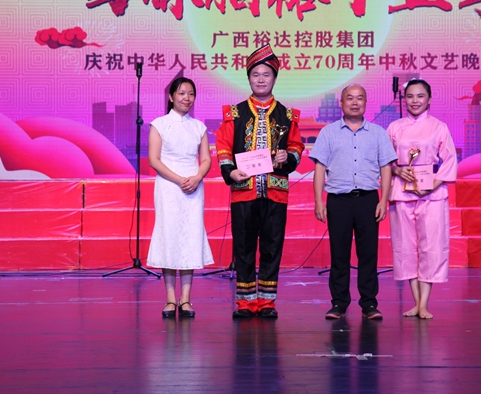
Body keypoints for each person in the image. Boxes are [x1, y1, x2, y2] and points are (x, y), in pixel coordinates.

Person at [215, 45, 305, 319]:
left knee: (272, 245)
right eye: (256, 75)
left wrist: (287, 156)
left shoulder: (287, 116)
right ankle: (245, 302)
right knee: (243, 247)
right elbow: (223, 147)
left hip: (275, 191)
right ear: (249, 78)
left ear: (275, 78)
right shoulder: (235, 113)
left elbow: (297, 147)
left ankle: (266, 301)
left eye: (266, 74)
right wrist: (231, 172)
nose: (261, 79)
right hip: (244, 190)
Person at [311, 84, 396, 320]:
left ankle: (369, 304)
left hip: (368, 200)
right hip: (338, 201)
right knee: (339, 254)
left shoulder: (378, 133)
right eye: (350, 98)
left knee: (368, 254)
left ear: (365, 103)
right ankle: (339, 303)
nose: (355, 102)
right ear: (342, 103)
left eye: (360, 98)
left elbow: (386, 167)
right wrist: (319, 201)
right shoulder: (328, 132)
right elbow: (320, 168)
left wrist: (383, 200)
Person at [387, 78, 457, 319]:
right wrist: (397, 171)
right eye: (410, 96)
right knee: (406, 248)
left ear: (429, 99)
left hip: (432, 194)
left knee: (431, 247)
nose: (414, 101)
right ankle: (416, 303)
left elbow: (450, 160)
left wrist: (431, 186)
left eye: (420, 96)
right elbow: (385, 160)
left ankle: (424, 304)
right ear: (404, 99)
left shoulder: (439, 127)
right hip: (402, 192)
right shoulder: (394, 127)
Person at [147, 77, 214, 319]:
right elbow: (154, 160)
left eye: (191, 94)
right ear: (171, 96)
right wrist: (179, 180)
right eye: (182, 93)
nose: (187, 98)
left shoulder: (199, 127)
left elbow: (206, 159)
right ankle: (169, 299)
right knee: (169, 236)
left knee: (189, 237)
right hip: (169, 186)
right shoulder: (159, 124)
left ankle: (185, 299)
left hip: (193, 187)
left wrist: (196, 177)